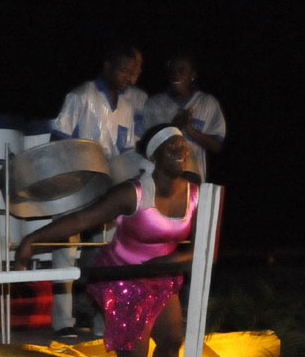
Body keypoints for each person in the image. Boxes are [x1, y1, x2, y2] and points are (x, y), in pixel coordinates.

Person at [16, 124, 197, 357]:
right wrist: (32, 241)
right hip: (123, 280)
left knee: (172, 340)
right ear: (154, 155)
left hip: (160, 277)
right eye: (171, 147)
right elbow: (83, 217)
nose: (180, 151)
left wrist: (173, 260)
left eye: (183, 146)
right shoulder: (133, 193)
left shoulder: (196, 193)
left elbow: (208, 247)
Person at [50, 45, 139, 340]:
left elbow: (125, 153)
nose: (129, 77)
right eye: (124, 70)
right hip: (77, 185)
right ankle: (63, 321)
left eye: (132, 71)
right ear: (108, 66)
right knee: (66, 251)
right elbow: (58, 139)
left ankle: (105, 320)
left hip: (108, 191)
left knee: (108, 255)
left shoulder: (126, 106)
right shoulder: (80, 96)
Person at [143, 54, 226, 184]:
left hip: (194, 180)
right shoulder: (155, 103)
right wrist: (173, 127)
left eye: (182, 70)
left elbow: (217, 146)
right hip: (162, 182)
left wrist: (190, 130)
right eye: (173, 70)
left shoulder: (207, 103)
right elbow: (145, 145)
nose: (176, 75)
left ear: (193, 75)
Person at [120, 46, 147, 139]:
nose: (139, 70)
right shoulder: (102, 96)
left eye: (140, 64)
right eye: (136, 63)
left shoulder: (141, 97)